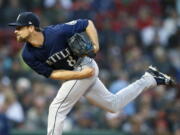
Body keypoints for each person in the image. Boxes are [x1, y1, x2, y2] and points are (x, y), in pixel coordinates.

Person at [8, 12, 175, 135]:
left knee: (57, 108)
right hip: (77, 74)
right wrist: (79, 76)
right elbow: (53, 74)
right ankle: (150, 79)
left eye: (19, 28)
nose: (16, 31)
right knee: (113, 104)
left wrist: (95, 45)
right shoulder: (27, 55)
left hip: (85, 65)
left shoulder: (56, 32)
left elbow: (87, 23)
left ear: (31, 27)